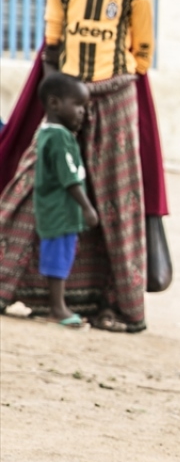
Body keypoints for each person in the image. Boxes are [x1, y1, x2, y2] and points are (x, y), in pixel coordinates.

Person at [0, 0, 166, 332]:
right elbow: (52, 47)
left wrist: (101, 88)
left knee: (116, 202)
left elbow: (141, 58)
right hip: (64, 100)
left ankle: (122, 309)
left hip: (115, 102)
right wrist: (63, 98)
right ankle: (8, 284)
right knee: (30, 185)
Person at [33, 72, 100, 328]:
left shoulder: (48, 133)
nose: (83, 112)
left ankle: (56, 306)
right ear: (54, 104)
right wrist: (87, 207)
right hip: (61, 211)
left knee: (57, 257)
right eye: (78, 105)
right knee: (58, 259)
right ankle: (58, 308)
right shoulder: (59, 137)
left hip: (54, 209)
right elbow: (69, 177)